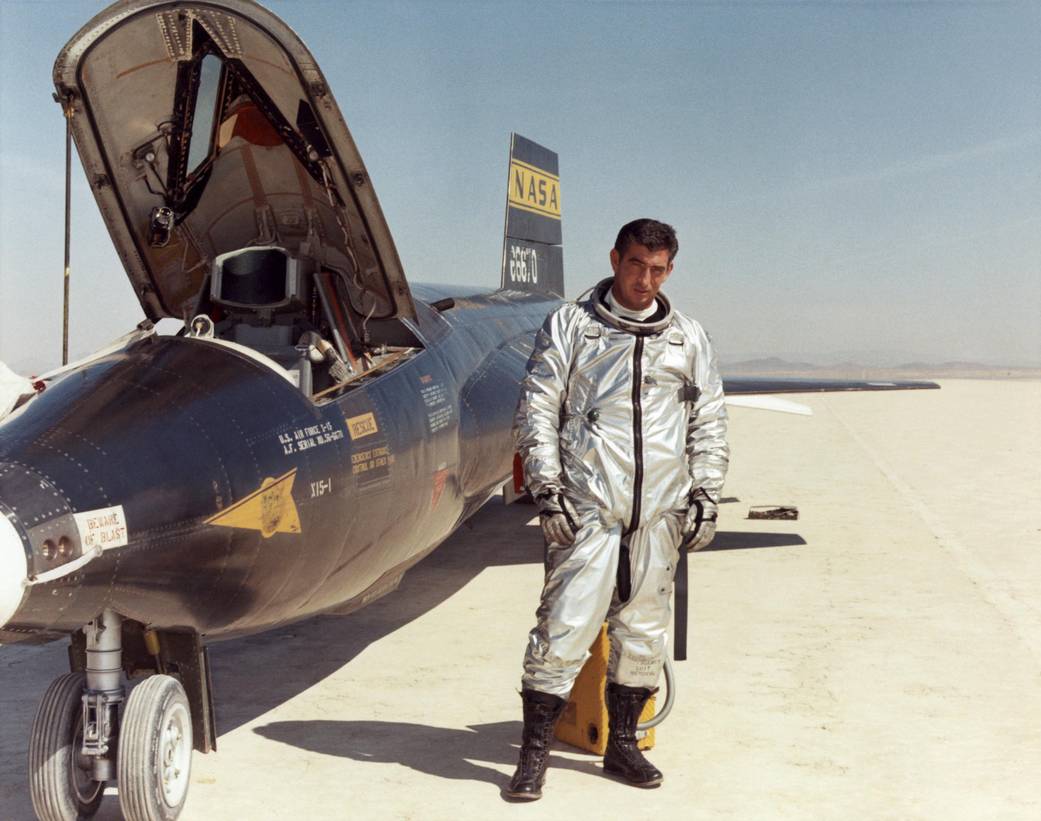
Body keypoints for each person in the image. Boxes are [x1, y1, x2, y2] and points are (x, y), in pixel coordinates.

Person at [505, 218, 729, 800]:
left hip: (658, 512)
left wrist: (705, 493)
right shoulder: (573, 327)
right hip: (588, 507)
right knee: (563, 630)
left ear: (669, 270)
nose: (644, 280)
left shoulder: (687, 338)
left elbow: (708, 420)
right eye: (635, 265)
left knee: (644, 632)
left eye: (657, 270)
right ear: (614, 259)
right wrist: (547, 487)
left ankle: (622, 744)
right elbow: (538, 407)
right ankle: (533, 757)